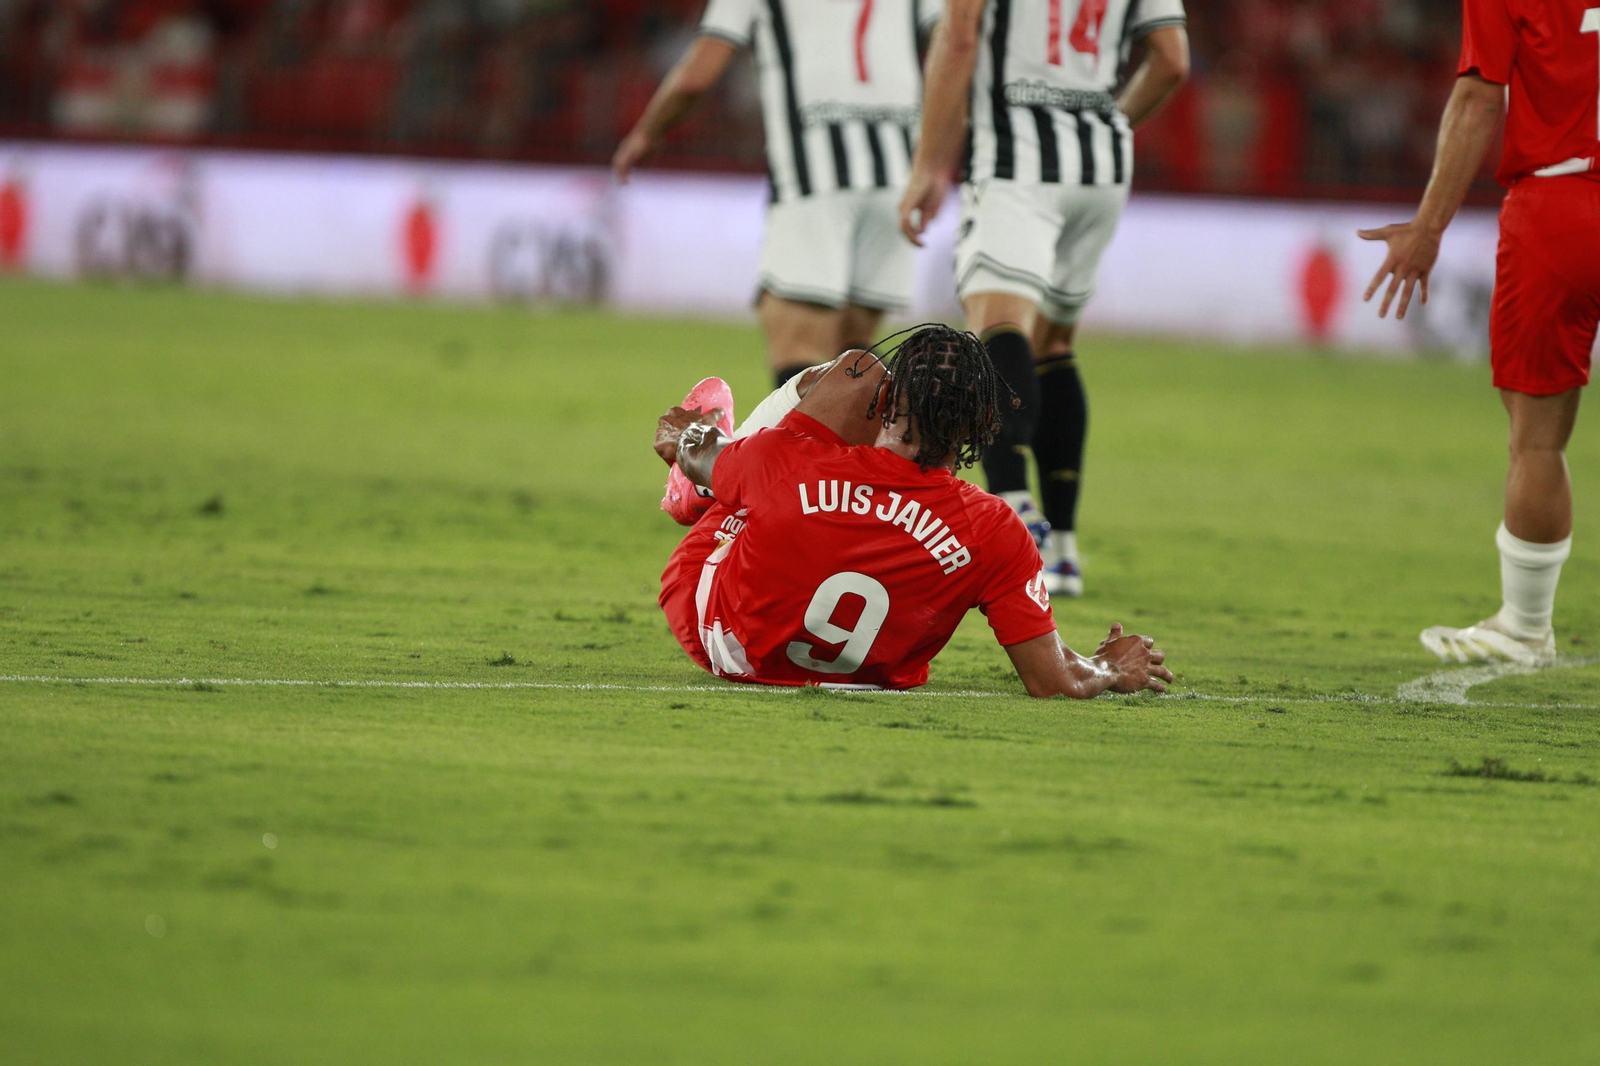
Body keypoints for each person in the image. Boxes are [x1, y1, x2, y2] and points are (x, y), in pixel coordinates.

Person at [652, 324, 1173, 697]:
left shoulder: (786, 459)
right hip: (865, 680)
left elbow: (683, 443)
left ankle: (702, 495)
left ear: (888, 400)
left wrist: (689, 438)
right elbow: (1056, 679)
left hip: (718, 639)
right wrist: (1108, 667)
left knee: (853, 372)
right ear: (981, 427)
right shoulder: (993, 531)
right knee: (767, 486)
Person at [898, 0, 1189, 598]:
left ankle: (1015, 509)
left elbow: (958, 39)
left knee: (997, 328)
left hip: (1016, 160)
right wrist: (1110, 126)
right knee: (1054, 343)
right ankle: (1064, 552)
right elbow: (1171, 61)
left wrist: (928, 164)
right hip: (1100, 165)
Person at [1359, 0, 1598, 665]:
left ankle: (1523, 627)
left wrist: (1428, 227)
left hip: (1558, 204)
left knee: (1538, 440)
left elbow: (1476, 99)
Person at [614, 0, 942, 390]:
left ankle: (801, 452)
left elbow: (697, 75)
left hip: (815, 178)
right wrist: (938, 156)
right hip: (899, 177)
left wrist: (647, 132)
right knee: (856, 355)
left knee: (798, 348)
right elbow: (955, 43)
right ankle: (885, 448)